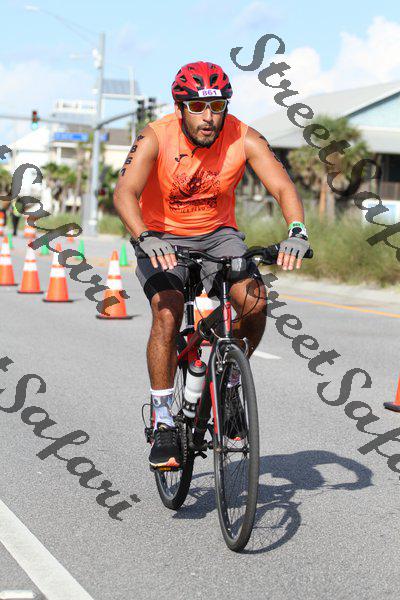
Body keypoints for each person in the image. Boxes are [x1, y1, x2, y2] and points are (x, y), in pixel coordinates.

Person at [114, 61, 310, 468]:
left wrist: (296, 229)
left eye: (217, 107)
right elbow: (124, 192)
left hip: (219, 235)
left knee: (254, 303)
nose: (209, 117)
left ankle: (230, 384)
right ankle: (164, 421)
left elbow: (281, 185)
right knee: (167, 312)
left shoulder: (243, 135)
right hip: (161, 236)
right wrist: (145, 236)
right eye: (198, 108)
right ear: (180, 108)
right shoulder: (155, 136)